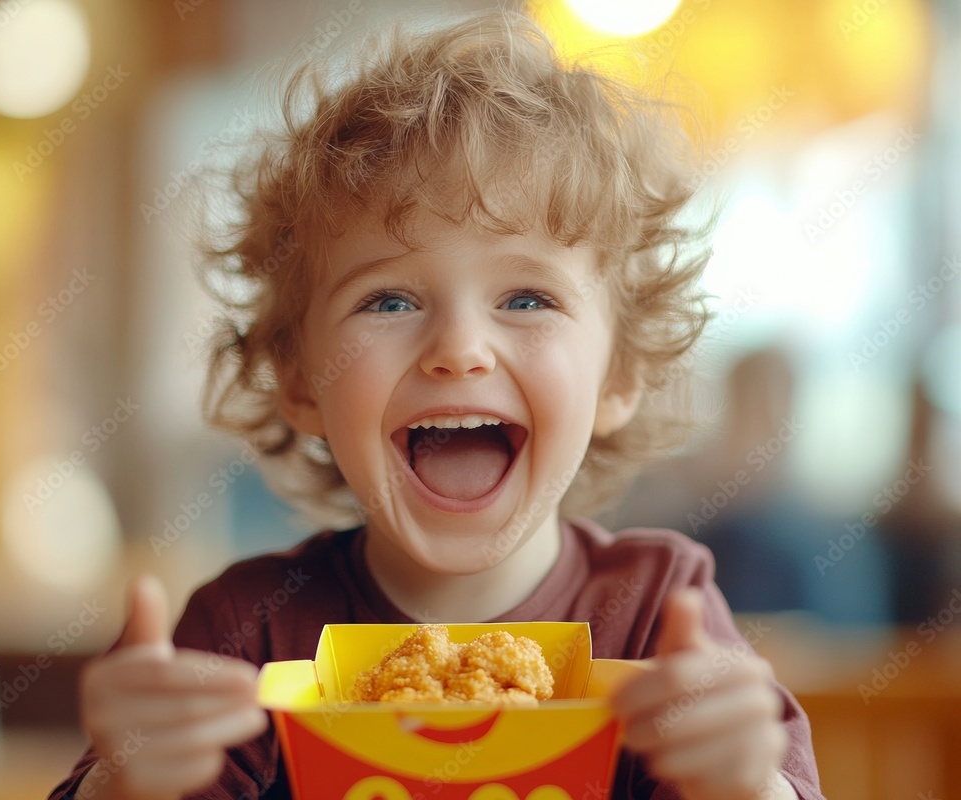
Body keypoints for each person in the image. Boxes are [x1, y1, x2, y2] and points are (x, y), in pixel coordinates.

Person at [50, 10, 823, 800]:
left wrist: (744, 784)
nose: (459, 348)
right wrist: (122, 783)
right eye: (387, 301)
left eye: (526, 297)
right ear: (300, 379)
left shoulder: (663, 615)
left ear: (618, 376)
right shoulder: (245, 635)